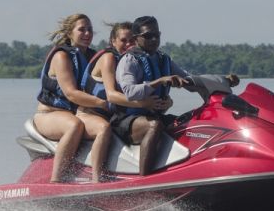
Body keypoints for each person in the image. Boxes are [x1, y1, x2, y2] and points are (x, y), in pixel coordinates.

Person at [34, 13, 112, 183]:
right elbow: (71, 93)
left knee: (104, 128)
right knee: (74, 125)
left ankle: (98, 178)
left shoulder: (93, 56)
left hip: (78, 113)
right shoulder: (62, 56)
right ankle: (56, 180)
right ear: (70, 33)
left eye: (90, 29)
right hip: (49, 114)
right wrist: (102, 103)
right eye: (81, 29)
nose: (87, 33)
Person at [114, 16, 191, 175]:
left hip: (154, 115)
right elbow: (129, 91)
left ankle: (183, 169)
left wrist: (221, 79)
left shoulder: (164, 59)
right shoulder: (129, 60)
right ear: (136, 39)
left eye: (157, 35)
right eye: (148, 36)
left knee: (188, 122)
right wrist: (159, 81)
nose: (154, 39)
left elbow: (187, 79)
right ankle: (144, 179)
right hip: (126, 121)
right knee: (154, 125)